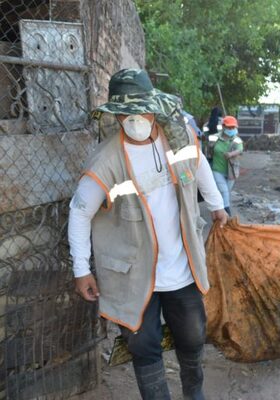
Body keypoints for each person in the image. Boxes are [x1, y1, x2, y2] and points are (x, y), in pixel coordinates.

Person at [68, 69, 228, 400]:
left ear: (153, 108)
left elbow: (201, 169)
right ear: (116, 115)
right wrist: (81, 268)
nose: (135, 119)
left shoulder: (178, 139)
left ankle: (193, 393)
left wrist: (217, 206)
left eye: (141, 110)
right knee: (143, 344)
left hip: (180, 264)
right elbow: (81, 211)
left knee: (193, 335)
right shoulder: (107, 157)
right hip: (132, 272)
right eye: (127, 113)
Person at [207, 115, 244, 215]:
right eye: (229, 127)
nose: (232, 129)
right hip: (217, 169)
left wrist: (231, 154)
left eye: (233, 127)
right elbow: (208, 149)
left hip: (231, 171)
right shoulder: (214, 138)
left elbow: (240, 150)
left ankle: (219, 212)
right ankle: (228, 214)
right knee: (224, 191)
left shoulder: (237, 140)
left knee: (225, 192)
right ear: (223, 127)